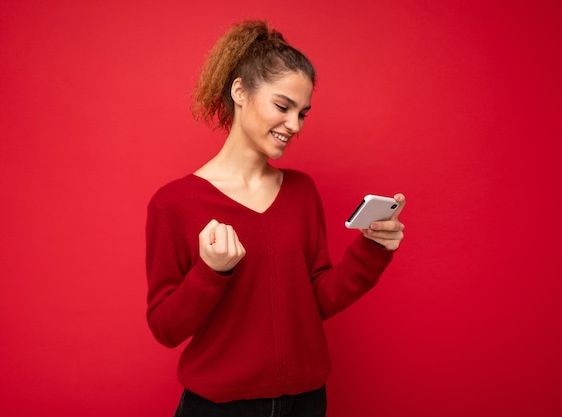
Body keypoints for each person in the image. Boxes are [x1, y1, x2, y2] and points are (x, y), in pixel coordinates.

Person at [145, 19, 405, 417]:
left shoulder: (301, 192)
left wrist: (372, 250)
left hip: (306, 401)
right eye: (283, 106)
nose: (294, 125)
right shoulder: (174, 203)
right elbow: (165, 328)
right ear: (240, 92)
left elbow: (315, 299)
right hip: (219, 408)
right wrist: (210, 272)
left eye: (303, 113)